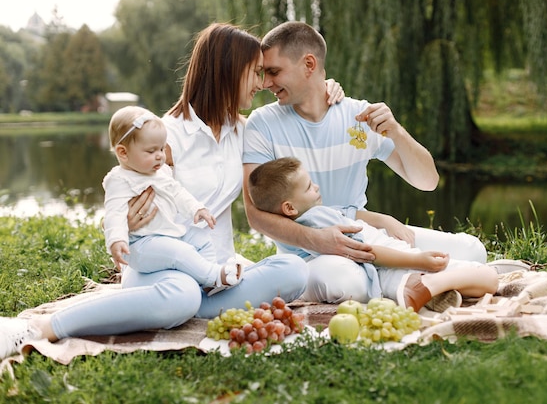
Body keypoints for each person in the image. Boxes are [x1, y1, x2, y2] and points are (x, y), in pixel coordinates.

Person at [0, 22, 344, 360]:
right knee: (181, 296)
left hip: (216, 274)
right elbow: (122, 193)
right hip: (162, 271)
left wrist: (326, 88)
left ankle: (191, 307)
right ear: (227, 71)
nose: (262, 84)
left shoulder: (245, 131)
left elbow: (298, 109)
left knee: (293, 271)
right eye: (255, 73)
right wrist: (128, 224)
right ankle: (43, 326)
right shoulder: (166, 137)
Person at [242, 21, 495, 305]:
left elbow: (427, 182)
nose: (265, 83)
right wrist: (319, 240)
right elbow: (256, 215)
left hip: (366, 235)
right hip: (308, 254)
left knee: (473, 251)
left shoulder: (359, 116)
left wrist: (397, 132)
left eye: (274, 72)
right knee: (348, 283)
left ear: (309, 64)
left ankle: (408, 280)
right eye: (264, 74)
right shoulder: (261, 125)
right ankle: (408, 280)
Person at [247, 156, 498, 312]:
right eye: (309, 187)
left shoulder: (304, 220)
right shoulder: (317, 219)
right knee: (489, 278)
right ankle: (430, 285)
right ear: (290, 207)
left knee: (478, 279)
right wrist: (418, 260)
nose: (317, 187)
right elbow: (367, 252)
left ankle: (432, 289)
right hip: (396, 264)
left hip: (390, 275)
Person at [103, 105, 242, 293]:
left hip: (168, 234)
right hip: (140, 244)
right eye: (151, 151)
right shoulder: (119, 180)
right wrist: (117, 240)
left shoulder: (161, 172)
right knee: (179, 252)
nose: (160, 155)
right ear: (123, 153)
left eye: (161, 148)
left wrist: (196, 209)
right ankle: (214, 275)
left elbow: (178, 193)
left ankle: (208, 280)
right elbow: (114, 212)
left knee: (201, 238)